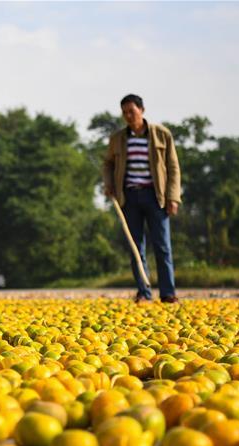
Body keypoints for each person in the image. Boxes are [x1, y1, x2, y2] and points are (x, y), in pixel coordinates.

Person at [102, 94, 181, 303]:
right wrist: (109, 184)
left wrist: (173, 197)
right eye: (125, 112)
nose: (129, 116)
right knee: (136, 247)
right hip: (128, 196)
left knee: (162, 245)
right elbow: (108, 164)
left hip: (156, 196)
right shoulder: (118, 139)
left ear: (142, 110)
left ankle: (168, 293)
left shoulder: (161, 135)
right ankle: (144, 292)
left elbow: (173, 167)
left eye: (132, 111)